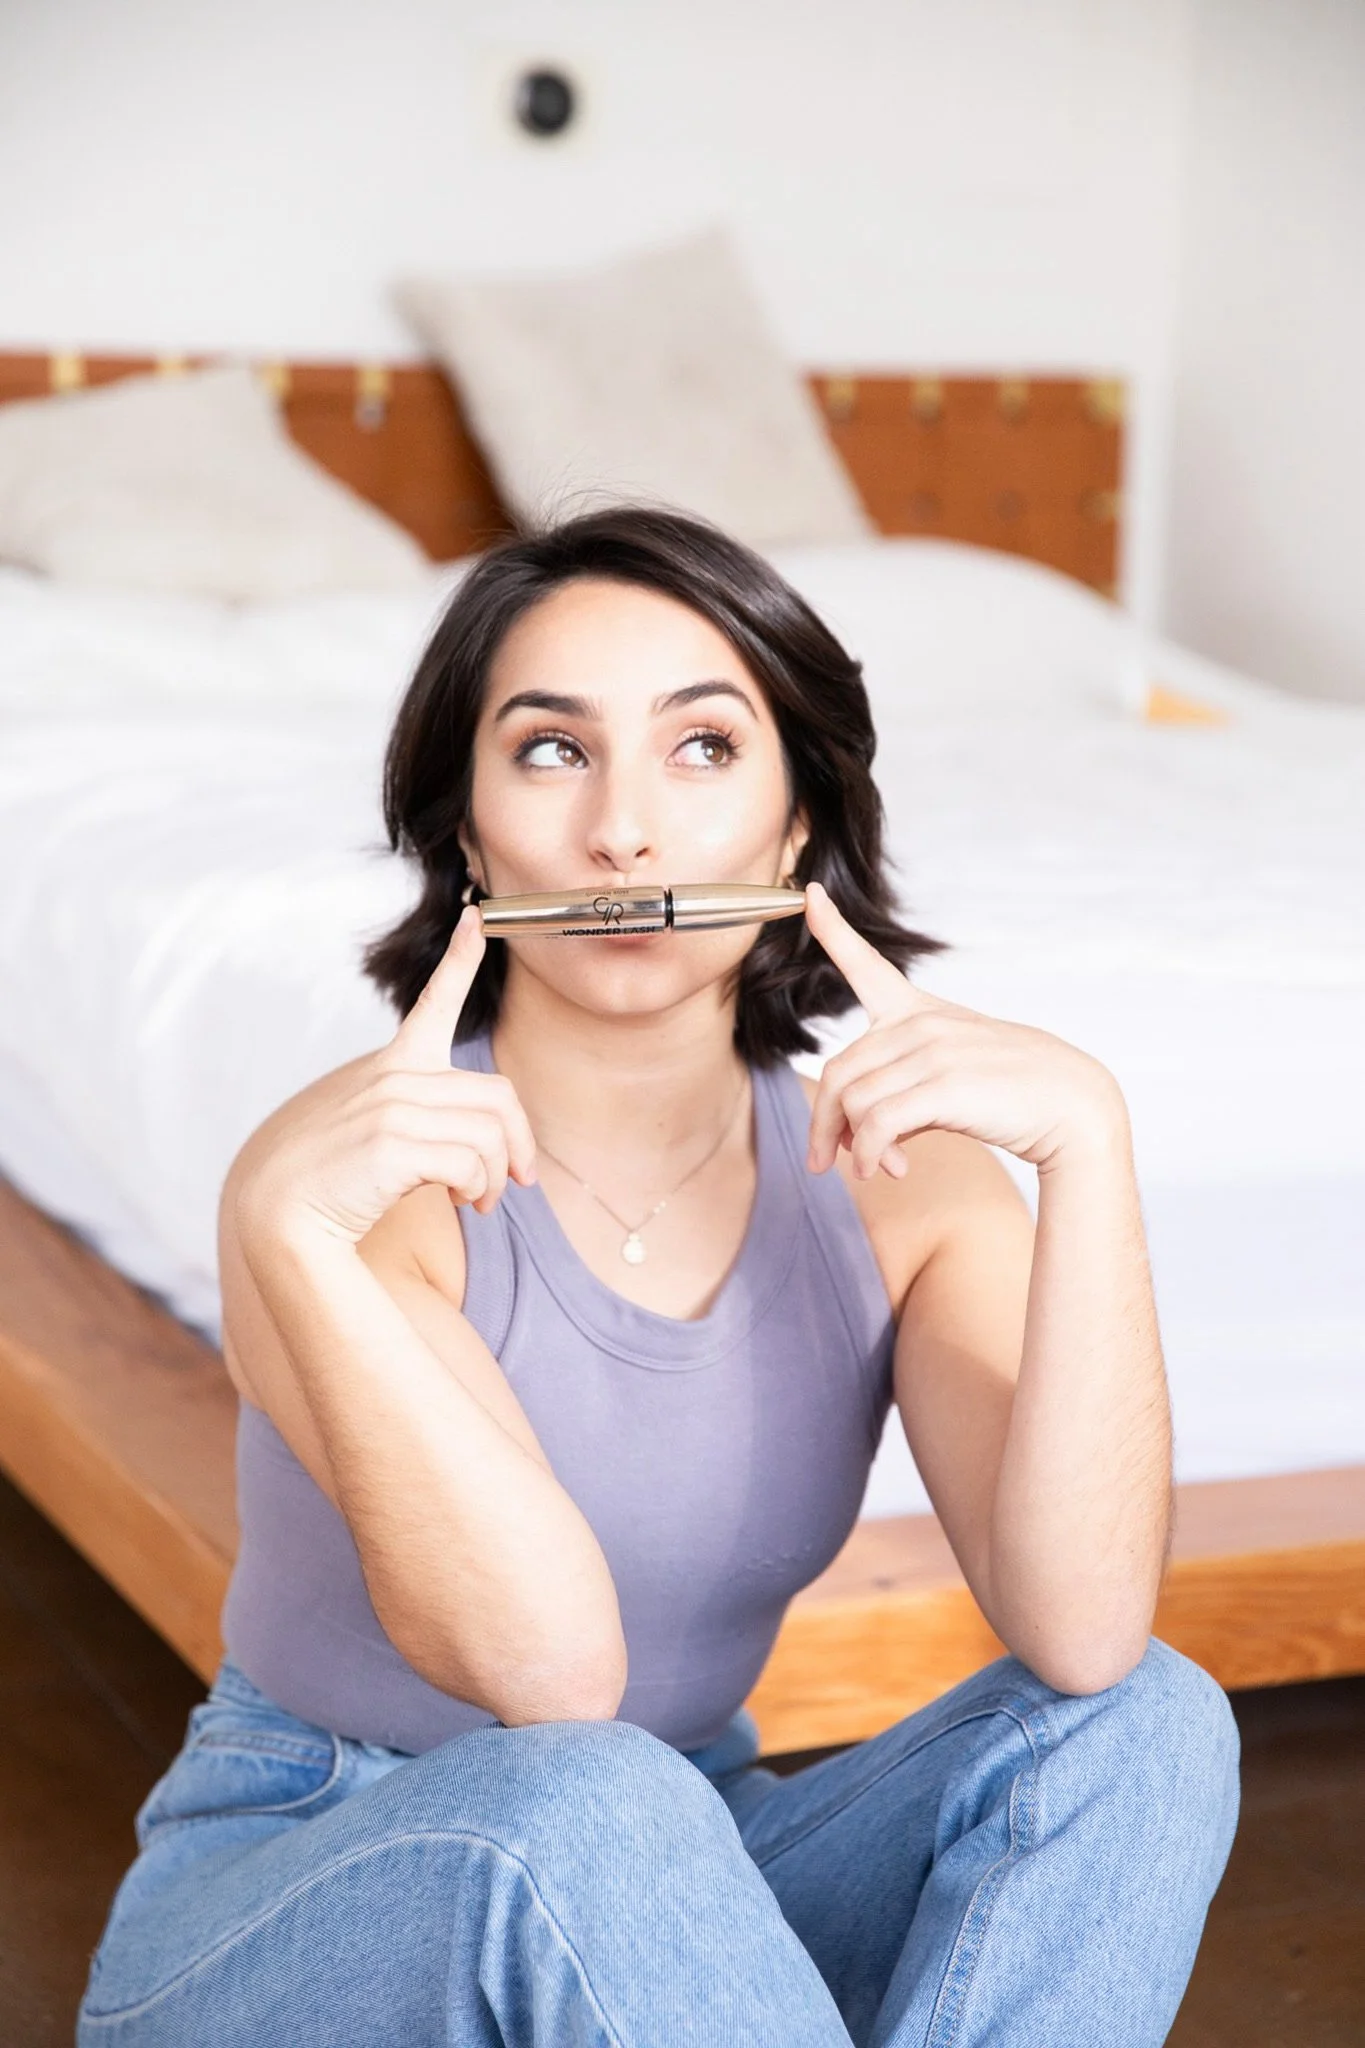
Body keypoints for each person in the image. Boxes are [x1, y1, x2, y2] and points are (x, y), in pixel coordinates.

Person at [78, 508, 1239, 2047]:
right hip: (308, 1887)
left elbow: (1083, 1633)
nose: (624, 835)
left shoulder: (914, 1186)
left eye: (701, 751)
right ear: (470, 829)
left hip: (684, 1863)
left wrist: (1090, 1150)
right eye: (552, 752)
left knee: (1151, 1718)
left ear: (798, 825)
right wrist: (288, 1238)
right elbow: (552, 1675)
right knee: (589, 1793)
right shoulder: (341, 1180)